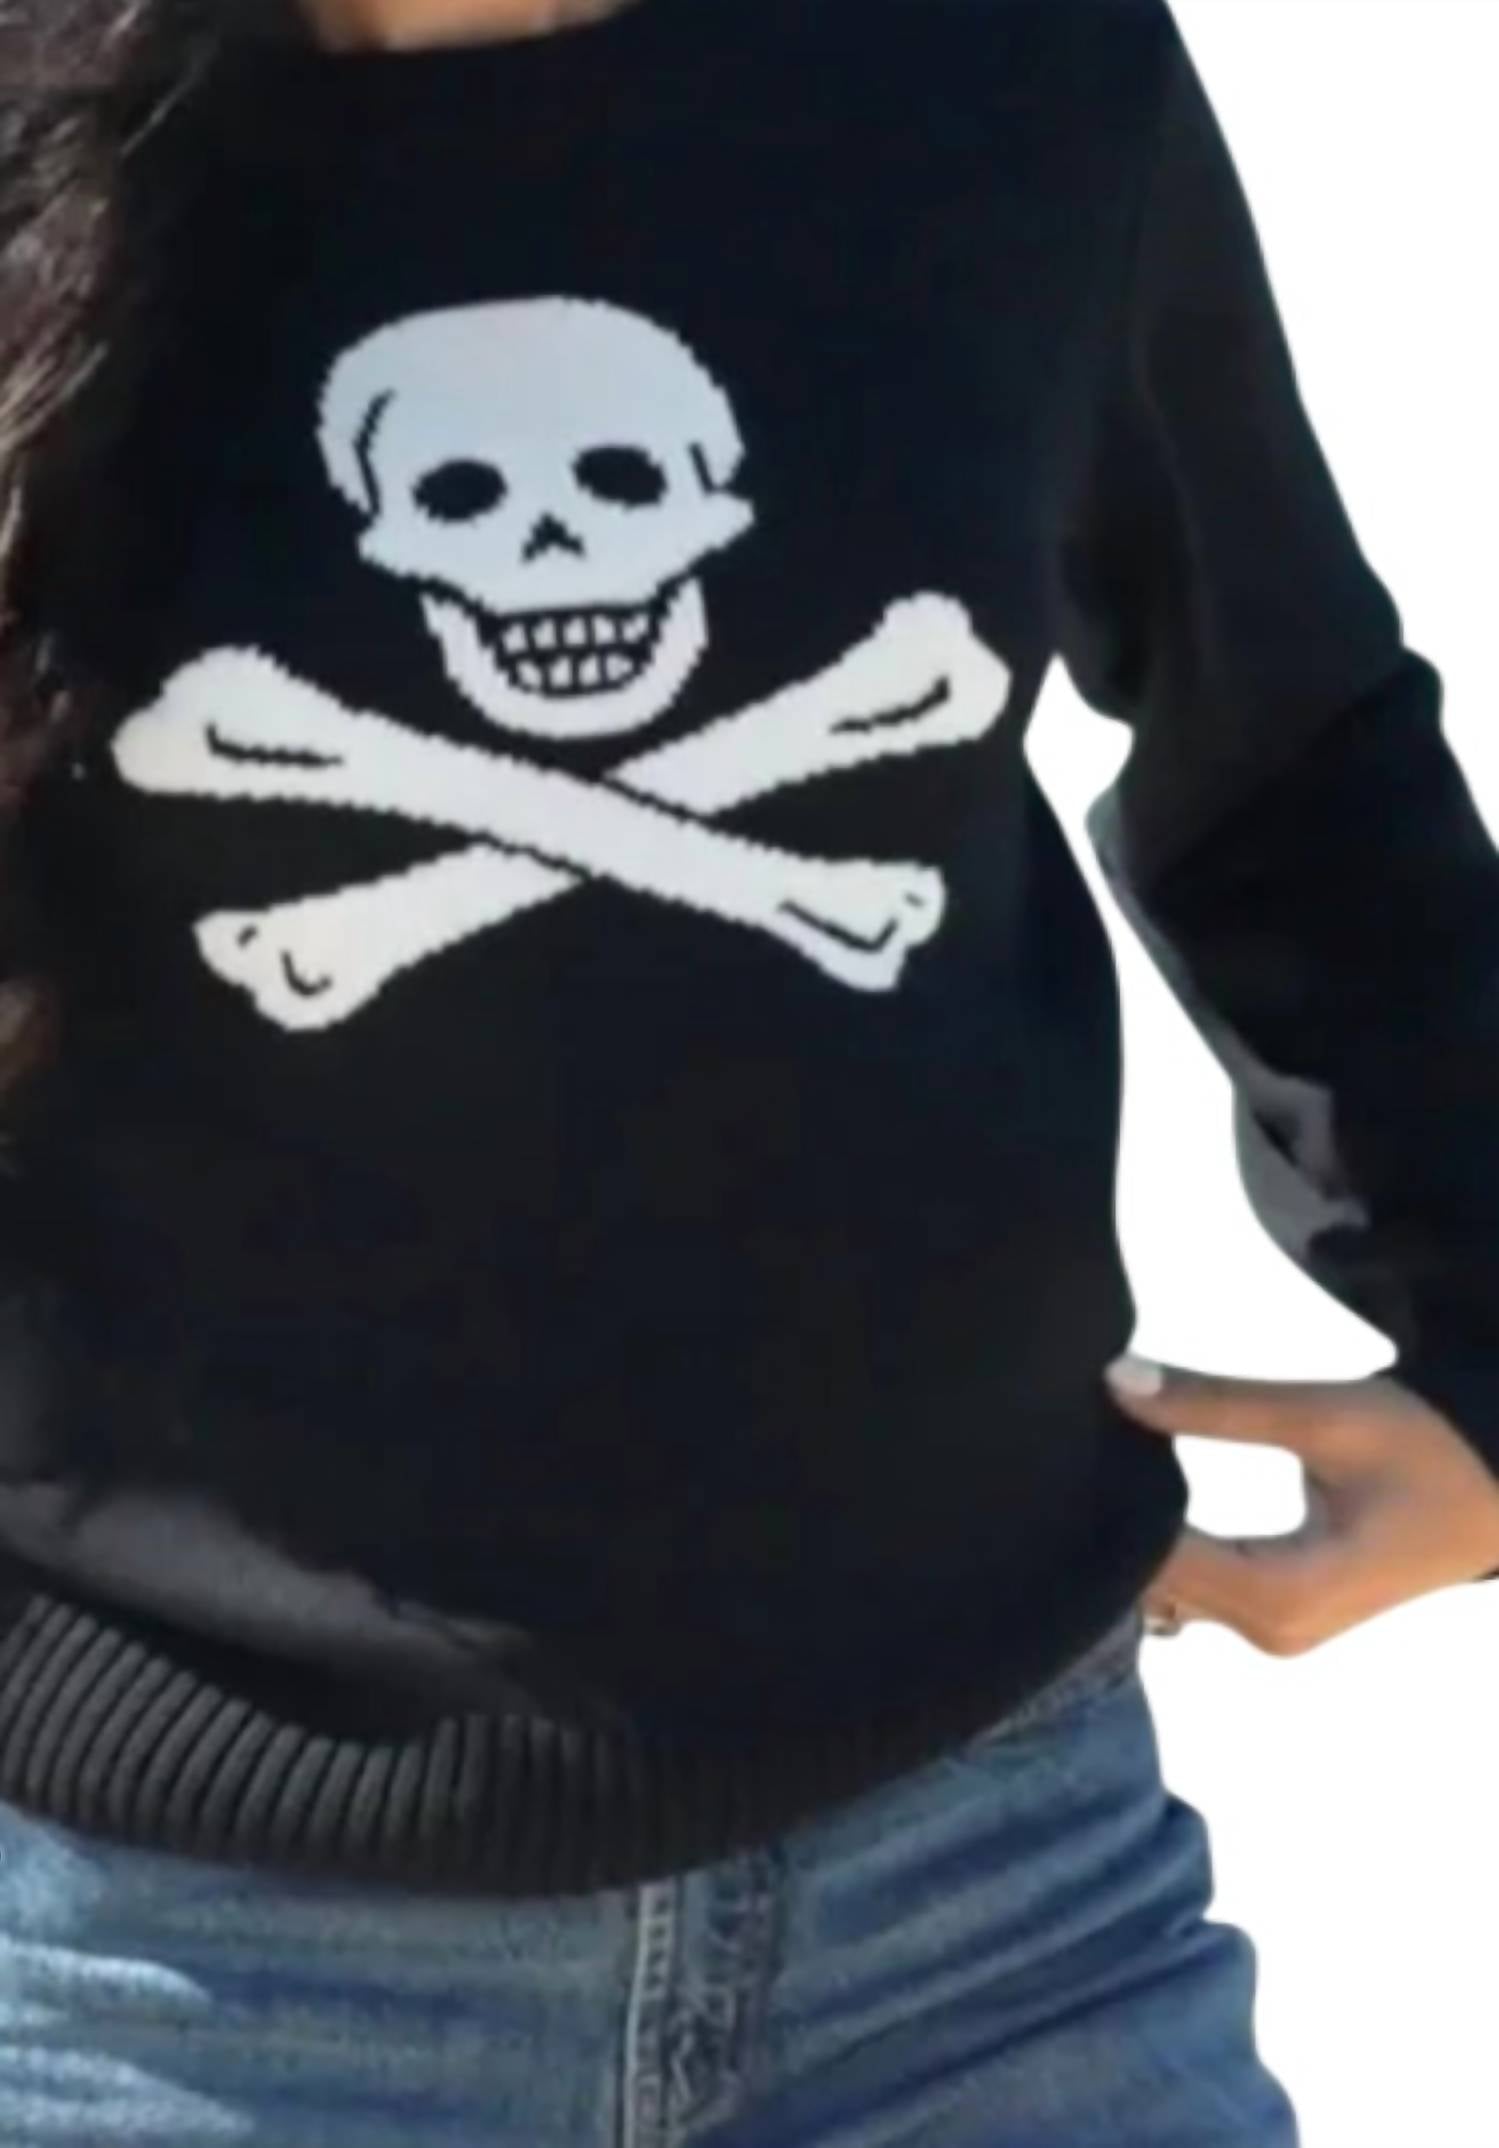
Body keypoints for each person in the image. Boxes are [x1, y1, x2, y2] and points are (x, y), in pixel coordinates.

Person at [1, 0, 1497, 2139]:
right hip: (170, 1982)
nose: (552, 545)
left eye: (624, 491)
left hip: (1003, 1905)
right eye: (465, 504)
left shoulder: (1004, 67)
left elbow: (1294, 753)